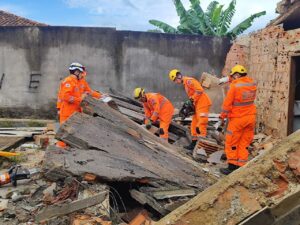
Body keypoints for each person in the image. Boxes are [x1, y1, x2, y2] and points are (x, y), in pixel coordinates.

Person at [219, 65, 257, 175]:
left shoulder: (234, 86)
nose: (232, 78)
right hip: (250, 117)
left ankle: (231, 167)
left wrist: (222, 116)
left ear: (236, 75)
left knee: (232, 142)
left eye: (233, 76)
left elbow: (227, 104)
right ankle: (241, 166)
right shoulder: (252, 83)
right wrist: (229, 79)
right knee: (244, 142)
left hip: (237, 119)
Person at [56, 62, 102, 148]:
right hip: (67, 112)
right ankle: (58, 152)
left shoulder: (81, 81)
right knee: (64, 134)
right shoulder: (68, 81)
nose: (83, 75)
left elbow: (89, 91)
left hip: (76, 111)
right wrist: (80, 100)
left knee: (74, 133)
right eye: (81, 73)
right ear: (76, 72)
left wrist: (101, 96)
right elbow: (65, 96)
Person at [169, 69, 212, 150]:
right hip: (197, 105)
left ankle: (201, 147)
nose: (175, 82)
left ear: (178, 77)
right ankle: (194, 144)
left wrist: (192, 99)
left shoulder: (189, 81)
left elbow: (199, 90)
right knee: (193, 125)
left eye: (175, 80)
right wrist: (190, 104)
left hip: (203, 103)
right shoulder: (186, 84)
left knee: (201, 123)